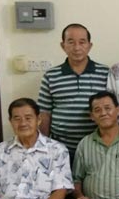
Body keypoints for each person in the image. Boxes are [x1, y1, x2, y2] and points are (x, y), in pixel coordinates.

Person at [38, 23, 109, 159]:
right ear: (63, 45)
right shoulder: (51, 75)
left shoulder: (105, 73)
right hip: (60, 148)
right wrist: (43, 145)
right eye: (71, 42)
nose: (77, 48)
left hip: (96, 147)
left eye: (82, 42)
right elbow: (44, 114)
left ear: (90, 45)